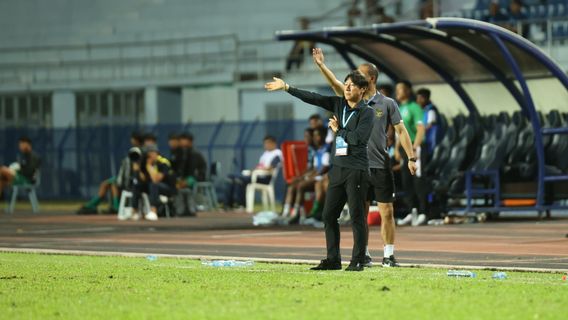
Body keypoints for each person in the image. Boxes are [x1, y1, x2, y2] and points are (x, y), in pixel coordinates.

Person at [311, 48, 417, 268]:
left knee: (387, 211)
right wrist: (321, 65)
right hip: (356, 167)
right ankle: (364, 254)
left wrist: (411, 157)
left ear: (370, 79)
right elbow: (333, 83)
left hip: (379, 165)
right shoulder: (350, 99)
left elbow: (401, 131)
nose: (351, 81)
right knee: (362, 213)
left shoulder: (387, 103)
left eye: (359, 75)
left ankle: (388, 255)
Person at [265, 70, 375, 272]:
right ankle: (333, 259)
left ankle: (358, 260)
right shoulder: (338, 104)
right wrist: (287, 87)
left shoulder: (367, 112)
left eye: (352, 85)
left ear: (363, 89)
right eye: (346, 83)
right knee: (328, 215)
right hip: (338, 169)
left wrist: (337, 130)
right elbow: (313, 98)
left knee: (357, 216)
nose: (347, 87)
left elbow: (358, 138)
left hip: (356, 170)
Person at [77, 131, 144, 215]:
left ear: (136, 140)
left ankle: (116, 207)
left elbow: (134, 169)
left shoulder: (141, 152)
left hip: (130, 180)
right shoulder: (133, 151)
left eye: (132, 139)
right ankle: (90, 205)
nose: (131, 140)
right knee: (105, 184)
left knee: (113, 184)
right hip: (123, 178)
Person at [394, 80, 428, 227]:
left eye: (400, 89)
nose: (398, 92)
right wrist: (396, 148)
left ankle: (423, 212)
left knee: (418, 180)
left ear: (408, 91)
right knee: (406, 180)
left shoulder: (415, 107)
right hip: (404, 148)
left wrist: (415, 147)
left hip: (415, 147)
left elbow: (421, 129)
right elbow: (400, 132)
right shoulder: (399, 108)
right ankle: (411, 211)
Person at [224, 136, 282, 210]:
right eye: (265, 143)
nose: (266, 145)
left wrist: (259, 170)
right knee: (231, 177)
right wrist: (253, 171)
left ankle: (241, 205)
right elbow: (259, 166)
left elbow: (271, 167)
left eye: (268, 143)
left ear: (273, 143)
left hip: (265, 178)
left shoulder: (277, 153)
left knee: (240, 180)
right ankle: (228, 205)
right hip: (257, 175)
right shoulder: (265, 154)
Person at [130, 145, 176, 221]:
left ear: (156, 153)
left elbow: (156, 179)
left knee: (153, 184)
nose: (150, 156)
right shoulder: (144, 162)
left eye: (152, 153)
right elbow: (143, 179)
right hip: (152, 187)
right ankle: (135, 212)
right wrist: (138, 170)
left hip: (167, 188)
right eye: (148, 154)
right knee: (137, 185)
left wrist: (149, 165)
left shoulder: (163, 162)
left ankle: (153, 211)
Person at [299, 126, 331, 226]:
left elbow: (325, 167)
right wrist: (307, 176)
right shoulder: (317, 150)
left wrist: (311, 177)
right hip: (319, 177)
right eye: (314, 136)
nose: (315, 138)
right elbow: (315, 168)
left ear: (324, 136)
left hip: (327, 176)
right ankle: (299, 213)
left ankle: (318, 212)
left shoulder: (327, 148)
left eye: (317, 135)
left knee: (320, 184)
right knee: (300, 185)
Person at [281, 128, 314, 222]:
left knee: (300, 186)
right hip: (310, 175)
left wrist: (306, 177)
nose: (305, 139)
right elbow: (309, 168)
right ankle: (285, 213)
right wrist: (300, 177)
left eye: (307, 137)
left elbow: (318, 168)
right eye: (304, 136)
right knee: (291, 185)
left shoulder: (318, 149)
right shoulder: (310, 149)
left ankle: (295, 213)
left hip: (317, 177)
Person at [174, 132, 207, 216]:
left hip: (195, 178)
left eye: (183, 140)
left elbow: (195, 171)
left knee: (187, 184)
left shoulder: (195, 154)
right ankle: (180, 209)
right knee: (176, 185)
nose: (181, 142)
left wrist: (186, 181)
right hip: (183, 178)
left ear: (189, 141)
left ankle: (191, 208)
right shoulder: (179, 153)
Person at [416, 88, 442, 156]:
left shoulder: (431, 110)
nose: (418, 101)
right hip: (428, 138)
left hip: (432, 139)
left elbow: (430, 124)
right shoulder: (425, 109)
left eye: (420, 98)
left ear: (426, 98)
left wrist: (419, 131)